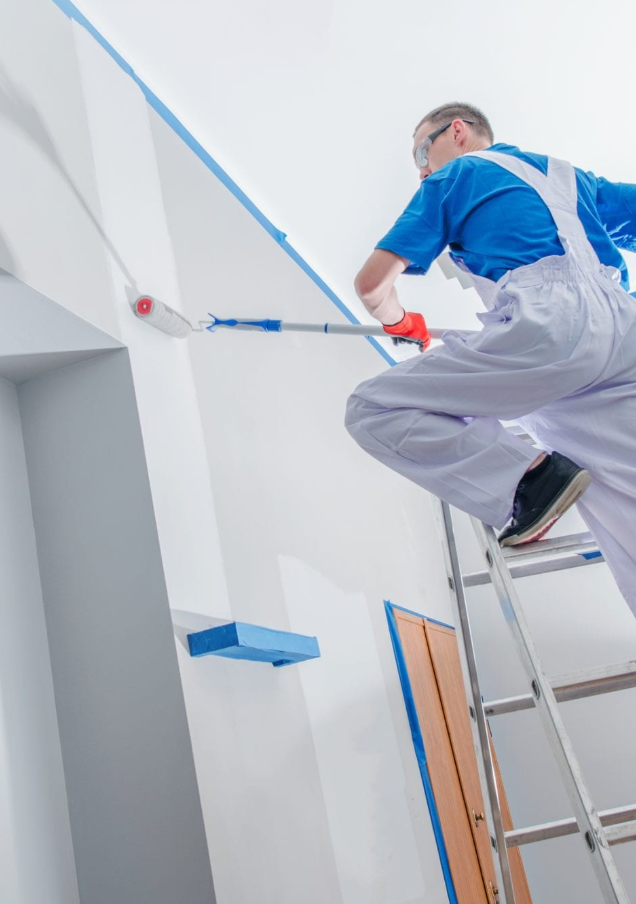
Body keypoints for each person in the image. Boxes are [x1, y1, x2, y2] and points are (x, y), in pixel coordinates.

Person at [345, 102, 636, 610]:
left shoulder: (455, 175)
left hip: (553, 332)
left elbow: (372, 285)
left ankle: (533, 480)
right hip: (626, 330)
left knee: (374, 407)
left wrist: (397, 320)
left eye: (421, 151)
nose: (421, 168)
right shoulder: (569, 177)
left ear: (456, 131)